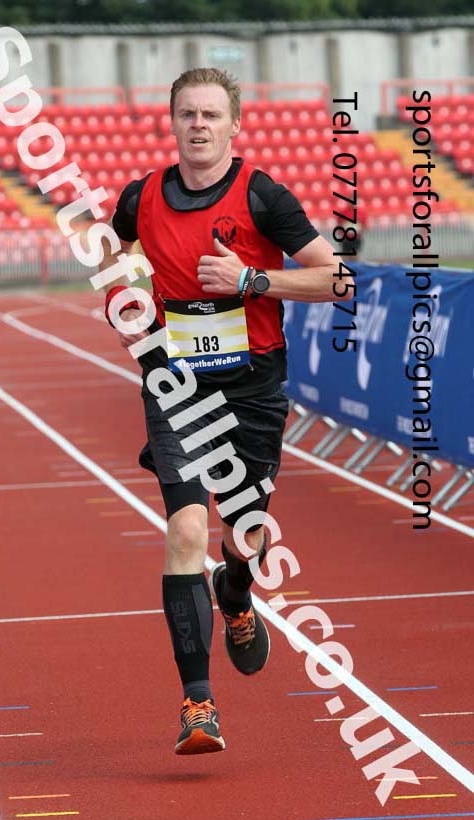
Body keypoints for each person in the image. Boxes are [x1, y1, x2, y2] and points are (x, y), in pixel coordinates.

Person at [100, 68, 352, 755]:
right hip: (176, 386)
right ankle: (197, 704)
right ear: (172, 121)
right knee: (184, 528)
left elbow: (337, 277)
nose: (199, 125)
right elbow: (114, 254)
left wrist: (251, 279)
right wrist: (125, 294)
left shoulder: (262, 195)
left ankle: (235, 592)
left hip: (252, 387)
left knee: (246, 538)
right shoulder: (141, 196)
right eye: (188, 114)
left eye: (211, 115)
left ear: (234, 125)